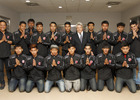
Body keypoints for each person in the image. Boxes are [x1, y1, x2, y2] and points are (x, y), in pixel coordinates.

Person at [127, 21, 140, 90]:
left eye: (134, 26)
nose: (133, 28)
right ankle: (134, 82)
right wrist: (133, 36)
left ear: (137, 25)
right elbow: (128, 42)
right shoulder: (129, 34)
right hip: (132, 55)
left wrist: (137, 36)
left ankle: (138, 83)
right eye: (132, 27)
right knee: (134, 70)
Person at [0, 20, 13, 89]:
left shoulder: (9, 34)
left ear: (6, 26)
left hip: (8, 54)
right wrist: (2, 40)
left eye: (4, 25)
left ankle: (10, 81)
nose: (2, 26)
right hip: (0, 55)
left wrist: (6, 40)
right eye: (1, 25)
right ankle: (2, 82)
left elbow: (12, 42)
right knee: (0, 70)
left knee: (8, 69)